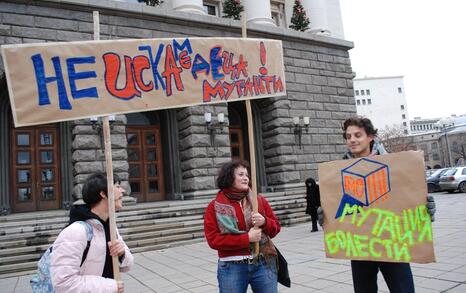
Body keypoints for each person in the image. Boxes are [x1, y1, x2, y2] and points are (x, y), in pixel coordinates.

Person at [318, 116, 436, 293]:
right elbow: (340, 207)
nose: (352, 140)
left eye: (358, 135)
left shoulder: (395, 166)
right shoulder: (338, 172)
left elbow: (408, 196)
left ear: (370, 137)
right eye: (348, 137)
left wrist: (427, 208)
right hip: (361, 245)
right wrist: (325, 215)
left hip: (392, 242)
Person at [204, 160, 281, 293]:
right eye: (241, 174)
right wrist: (247, 238)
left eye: (247, 175)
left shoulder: (258, 201)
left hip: (263, 262)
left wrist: (264, 222)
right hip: (232, 267)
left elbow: (276, 228)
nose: (246, 178)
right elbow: (213, 240)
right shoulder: (214, 206)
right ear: (229, 177)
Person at [51, 173, 133, 293]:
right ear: (103, 194)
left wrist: (121, 254)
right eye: (117, 186)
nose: (123, 191)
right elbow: (63, 283)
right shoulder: (76, 232)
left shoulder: (110, 227)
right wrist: (110, 287)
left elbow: (127, 265)